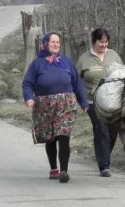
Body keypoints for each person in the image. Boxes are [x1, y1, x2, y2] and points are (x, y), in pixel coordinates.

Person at [23, 32, 88, 183]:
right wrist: (28, 98)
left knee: (64, 135)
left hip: (66, 103)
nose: (56, 45)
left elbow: (77, 82)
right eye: (53, 42)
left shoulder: (66, 61)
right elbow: (28, 83)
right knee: (50, 137)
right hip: (44, 106)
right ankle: (54, 168)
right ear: (45, 44)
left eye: (58, 42)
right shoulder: (37, 64)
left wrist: (83, 101)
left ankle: (64, 171)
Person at [77, 28, 123, 177]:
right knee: (101, 129)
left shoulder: (114, 55)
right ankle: (104, 166)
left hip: (113, 101)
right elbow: (75, 80)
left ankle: (104, 155)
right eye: (100, 42)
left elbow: (123, 73)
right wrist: (79, 99)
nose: (103, 45)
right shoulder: (85, 59)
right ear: (94, 41)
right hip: (92, 101)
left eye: (105, 42)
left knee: (113, 130)